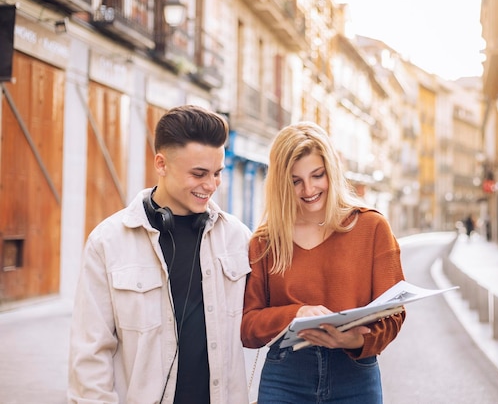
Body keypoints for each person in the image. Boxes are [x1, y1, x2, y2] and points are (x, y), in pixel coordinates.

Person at [68, 105, 252, 404]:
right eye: (198, 173)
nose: (211, 185)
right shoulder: (108, 241)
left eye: (217, 173)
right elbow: (90, 354)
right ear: (161, 163)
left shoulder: (238, 238)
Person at [241, 122, 406, 403]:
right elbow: (248, 327)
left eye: (317, 175)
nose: (309, 189)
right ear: (281, 183)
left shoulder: (372, 227)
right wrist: (296, 313)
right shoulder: (266, 241)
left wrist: (356, 341)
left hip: (354, 376)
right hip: (285, 376)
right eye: (295, 181)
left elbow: (394, 313)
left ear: (331, 170)